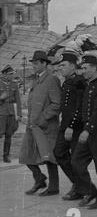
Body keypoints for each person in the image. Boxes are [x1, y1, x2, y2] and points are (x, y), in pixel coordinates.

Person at [71, 55, 97, 209]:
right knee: (76, 161)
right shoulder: (89, 86)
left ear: (95, 68)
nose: (83, 71)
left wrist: (87, 130)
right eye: (82, 68)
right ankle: (91, 190)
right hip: (87, 132)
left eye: (86, 68)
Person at [19, 50, 61, 196]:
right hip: (32, 126)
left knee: (49, 157)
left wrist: (43, 118)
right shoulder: (36, 80)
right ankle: (39, 179)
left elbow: (56, 104)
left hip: (47, 126)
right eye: (33, 64)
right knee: (26, 154)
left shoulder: (52, 79)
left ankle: (54, 187)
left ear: (45, 64)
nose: (34, 66)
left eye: (36, 64)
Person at [53, 52, 87, 201]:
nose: (60, 68)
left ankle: (81, 188)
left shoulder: (80, 82)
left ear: (73, 66)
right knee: (59, 153)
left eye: (63, 65)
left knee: (75, 158)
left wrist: (71, 126)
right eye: (59, 65)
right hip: (65, 126)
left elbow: (80, 107)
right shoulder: (66, 82)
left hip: (75, 127)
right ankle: (79, 184)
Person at [0, 65, 22, 163]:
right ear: (4, 74)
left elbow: (18, 100)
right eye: (10, 74)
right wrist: (1, 98)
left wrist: (19, 114)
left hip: (11, 113)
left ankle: (6, 156)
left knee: (9, 135)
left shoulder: (14, 85)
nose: (12, 76)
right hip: (1, 113)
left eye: (12, 74)